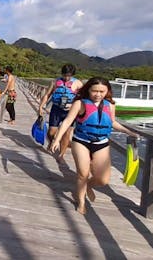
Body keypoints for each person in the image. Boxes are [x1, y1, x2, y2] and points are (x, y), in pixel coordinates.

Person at [49, 77, 139, 215]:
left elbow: (112, 122)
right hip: (81, 141)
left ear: (107, 91)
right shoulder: (80, 103)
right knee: (83, 174)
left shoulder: (110, 105)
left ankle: (88, 186)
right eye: (94, 91)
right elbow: (67, 122)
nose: (98, 94)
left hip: (101, 142)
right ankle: (81, 202)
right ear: (88, 90)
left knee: (103, 180)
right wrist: (56, 139)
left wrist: (128, 131)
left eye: (102, 91)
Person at [38, 64, 83, 161]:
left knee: (66, 133)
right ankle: (52, 141)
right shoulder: (54, 82)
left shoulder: (78, 83)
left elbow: (83, 98)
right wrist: (41, 106)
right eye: (65, 75)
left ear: (72, 75)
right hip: (56, 109)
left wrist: (75, 106)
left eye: (69, 75)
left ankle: (61, 154)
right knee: (51, 132)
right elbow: (47, 95)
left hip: (70, 112)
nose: (67, 78)